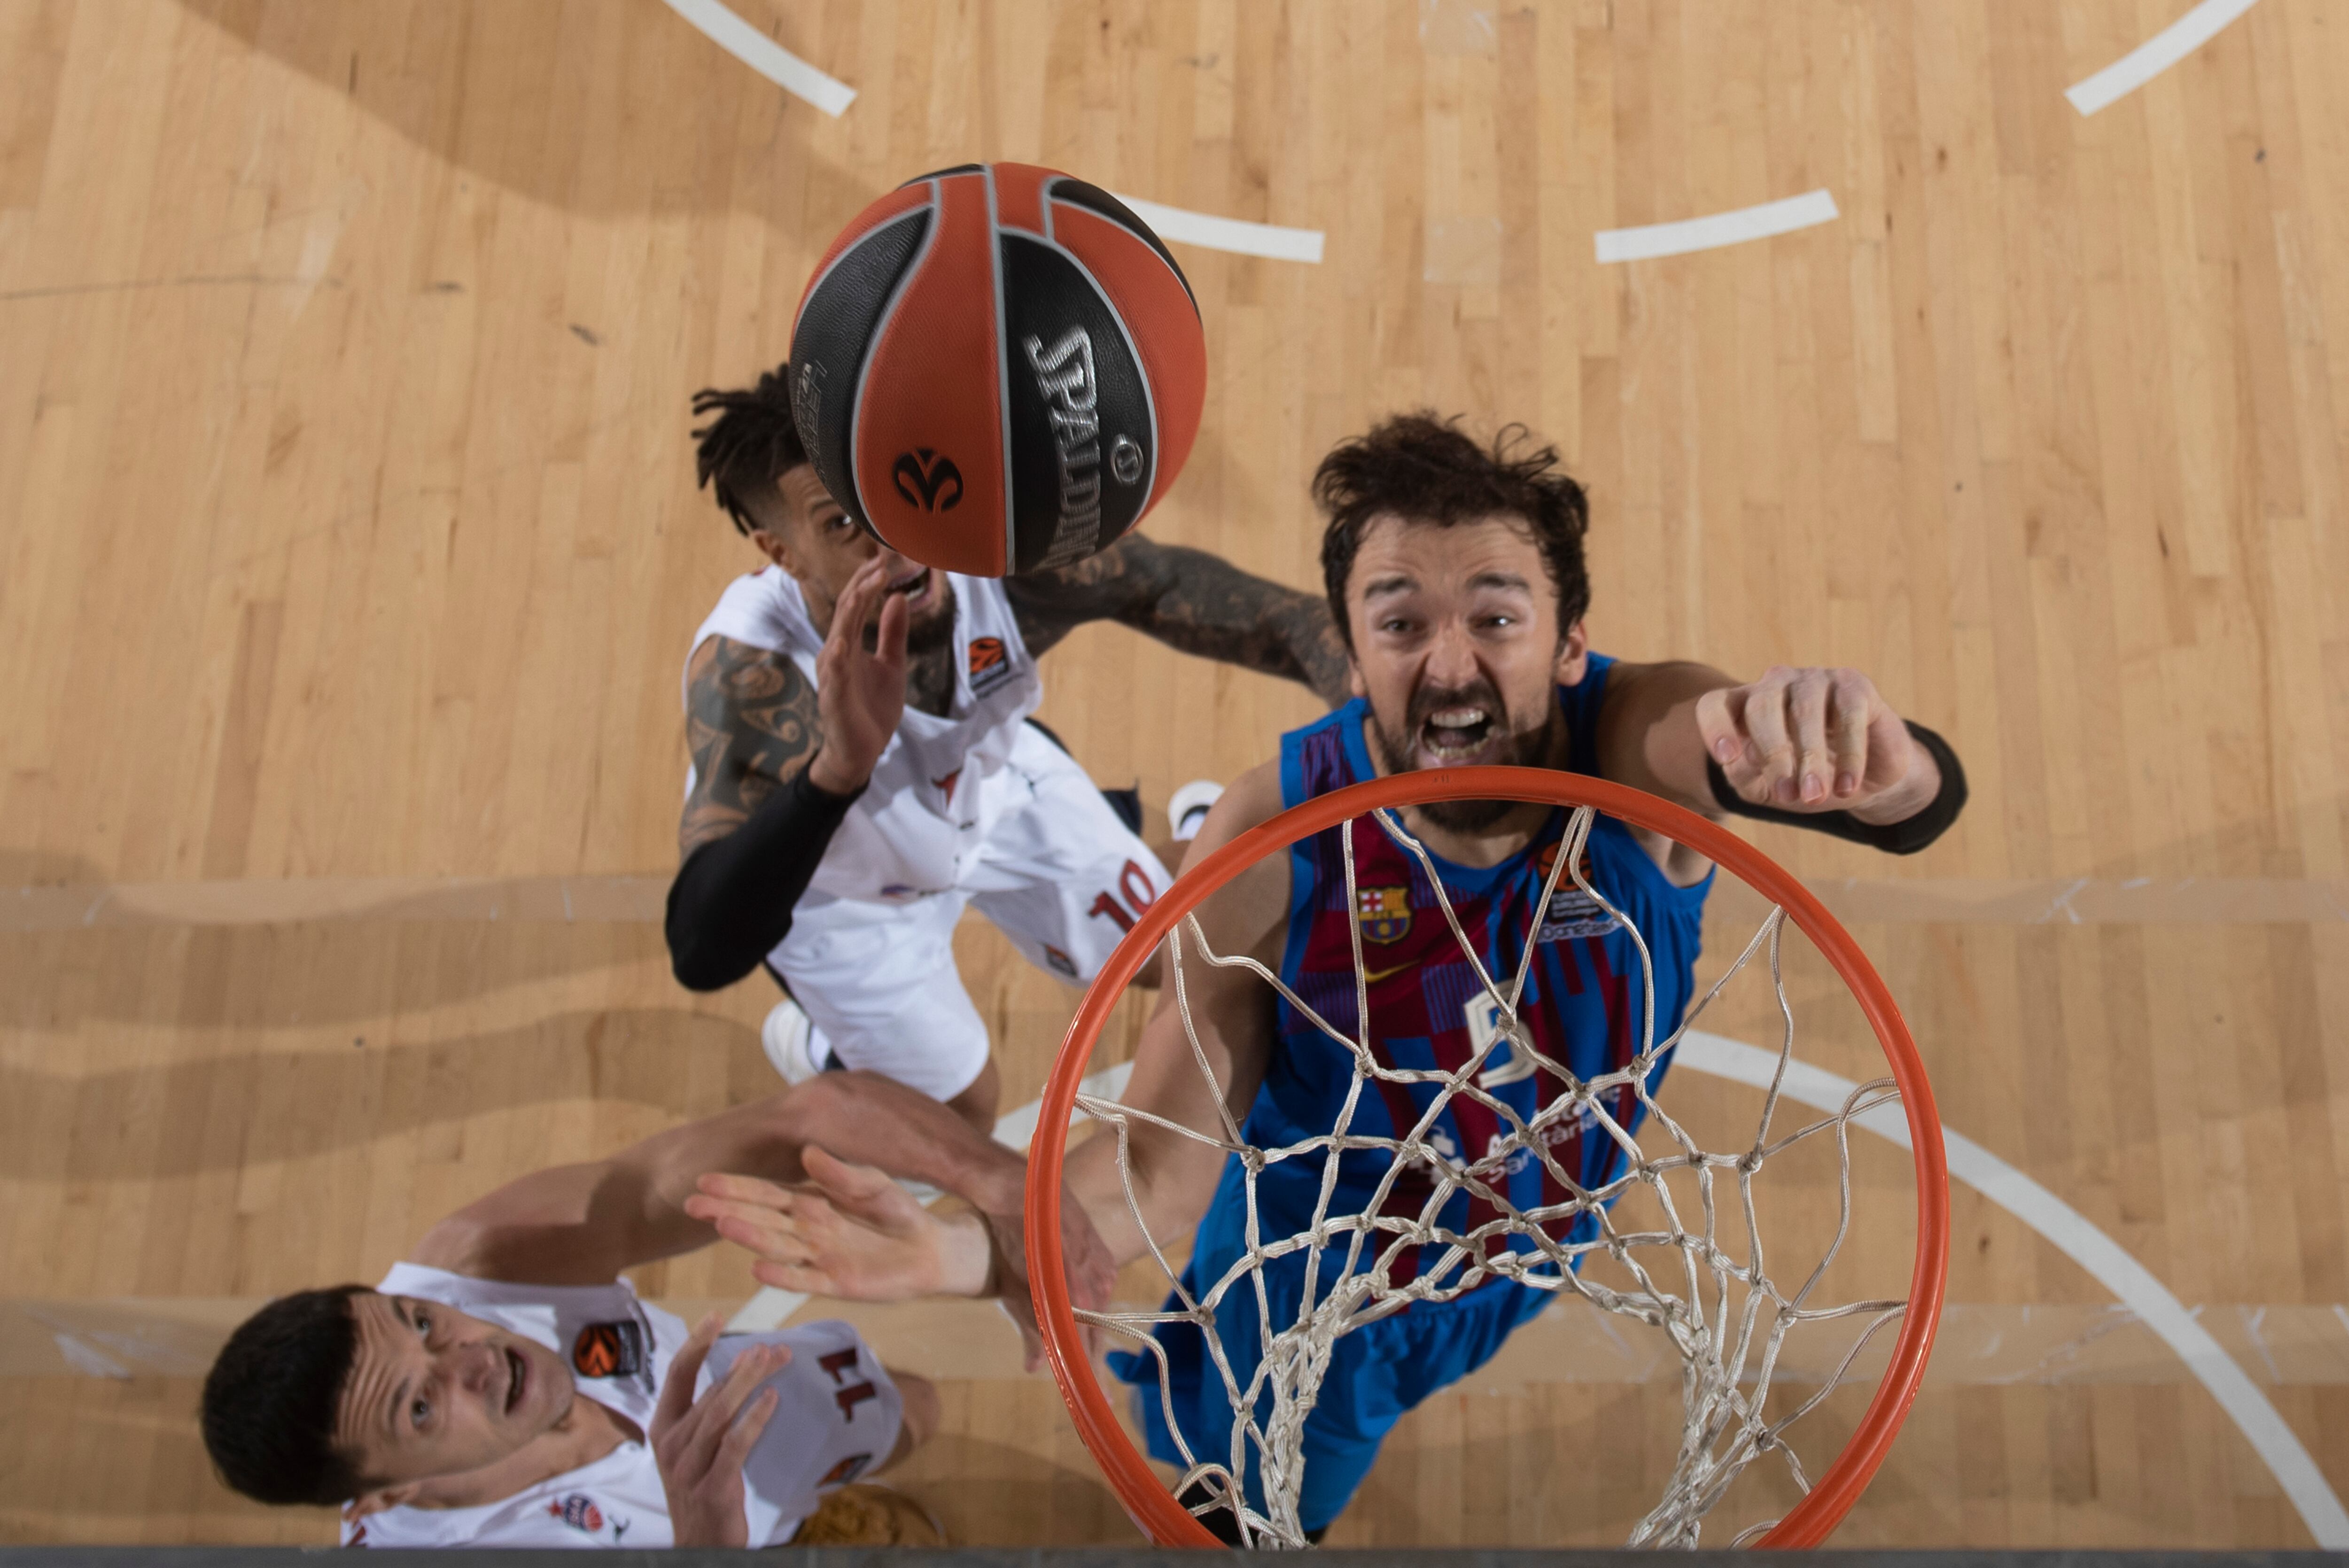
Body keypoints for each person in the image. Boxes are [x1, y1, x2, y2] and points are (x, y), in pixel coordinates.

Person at [684, 413, 1970, 1542]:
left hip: (1528, 1242)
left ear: (1574, 642)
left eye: (1499, 618)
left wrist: (1868, 755)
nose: (1453, 664)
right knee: (1247, 1500)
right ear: (1350, 649)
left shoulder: (1632, 760)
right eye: (1403, 621)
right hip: (1311, 1288)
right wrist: (969, 1249)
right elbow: (1152, 1174)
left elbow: (1836, 777)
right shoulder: (1266, 840)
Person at [667, 366, 1351, 1134]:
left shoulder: (999, 556)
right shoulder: (756, 678)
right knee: (967, 1108)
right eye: (841, 525)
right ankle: (828, 1046)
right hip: (848, 900)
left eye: (888, 494)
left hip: (989, 794)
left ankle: (1162, 837)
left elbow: (1232, 607)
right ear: (781, 552)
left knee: (1173, 952)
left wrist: (1369, 703)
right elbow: (700, 945)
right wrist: (835, 777)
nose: (891, 537)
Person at [195, 1069, 1108, 1548]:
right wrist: (707, 1539)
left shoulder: (484, 1263)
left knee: (916, 1407)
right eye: (422, 1407)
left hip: (751, 1401)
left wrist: (1003, 1182)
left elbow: (810, 1116)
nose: (471, 1355)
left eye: (424, 1326)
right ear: (384, 1495)